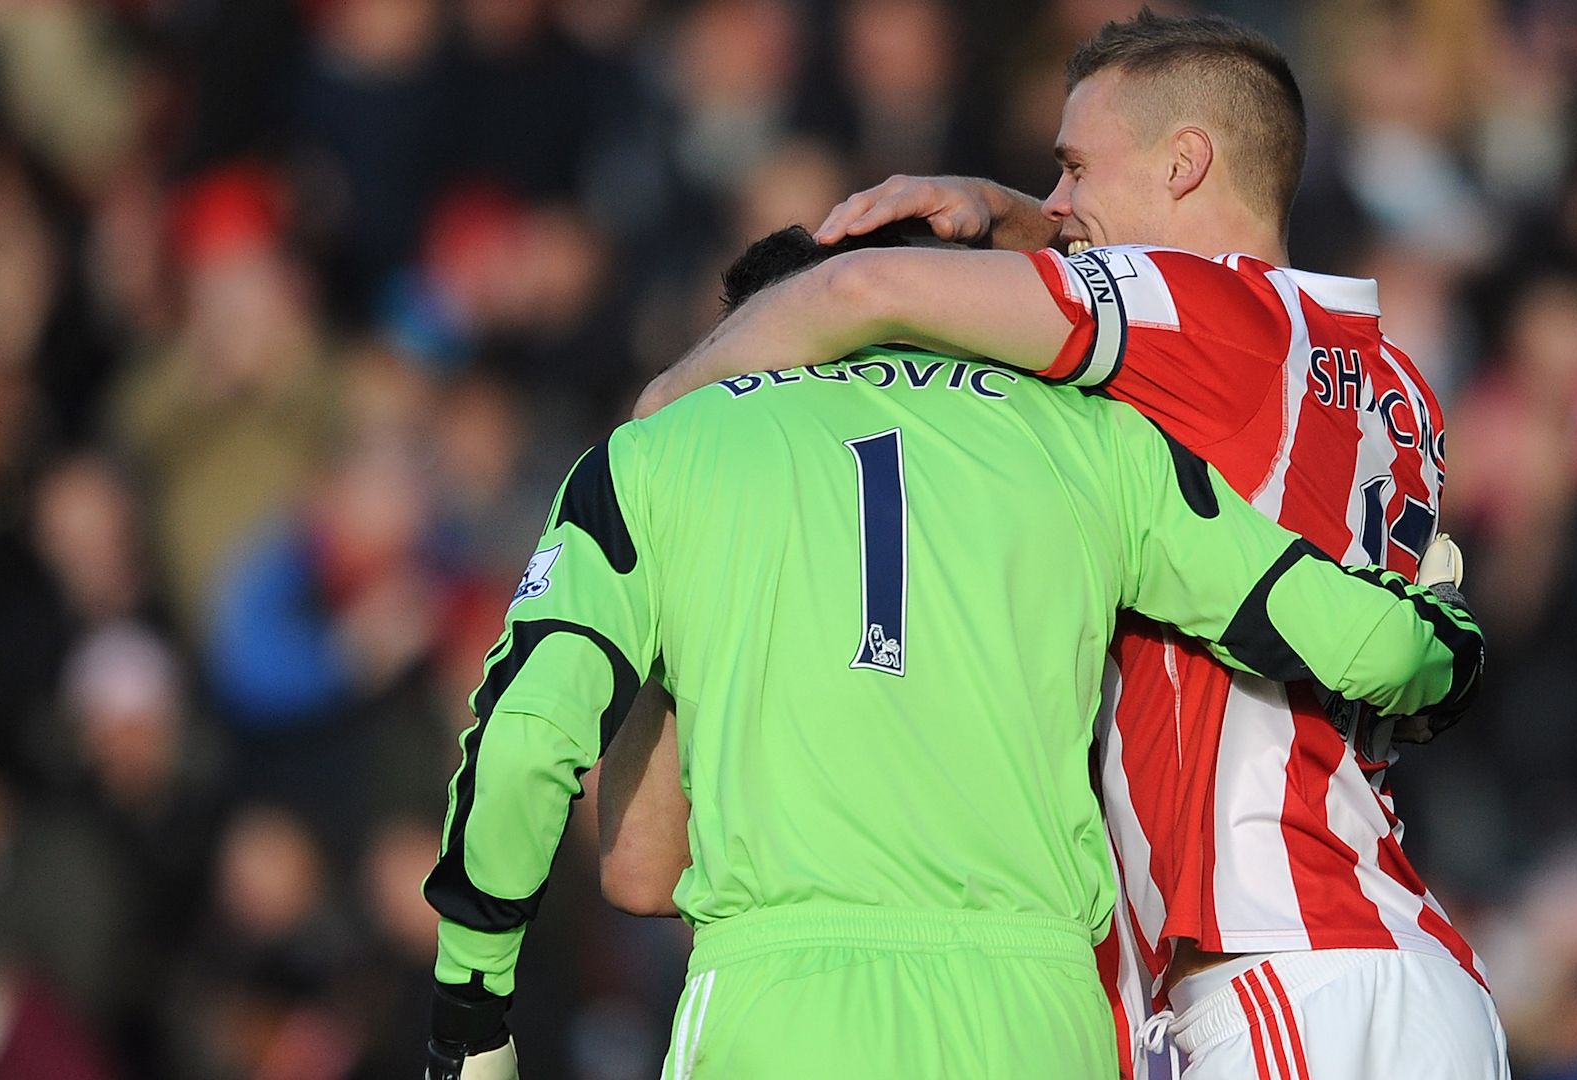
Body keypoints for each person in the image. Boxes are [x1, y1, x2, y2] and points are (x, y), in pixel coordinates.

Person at [629, 11, 1509, 1079]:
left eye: (1075, 168)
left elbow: (863, 289)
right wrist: (1015, 222)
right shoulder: (1391, 385)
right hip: (1400, 957)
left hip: (1274, 958)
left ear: (1186, 162)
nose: (1056, 205)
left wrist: (658, 424)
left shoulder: (1213, 322)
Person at [421, 224, 1483, 1079]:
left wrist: (473, 1011)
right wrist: (1446, 644)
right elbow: (1355, 638)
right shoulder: (1089, 440)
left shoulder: (659, 456)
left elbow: (525, 745)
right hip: (1037, 1016)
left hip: (784, 1007)